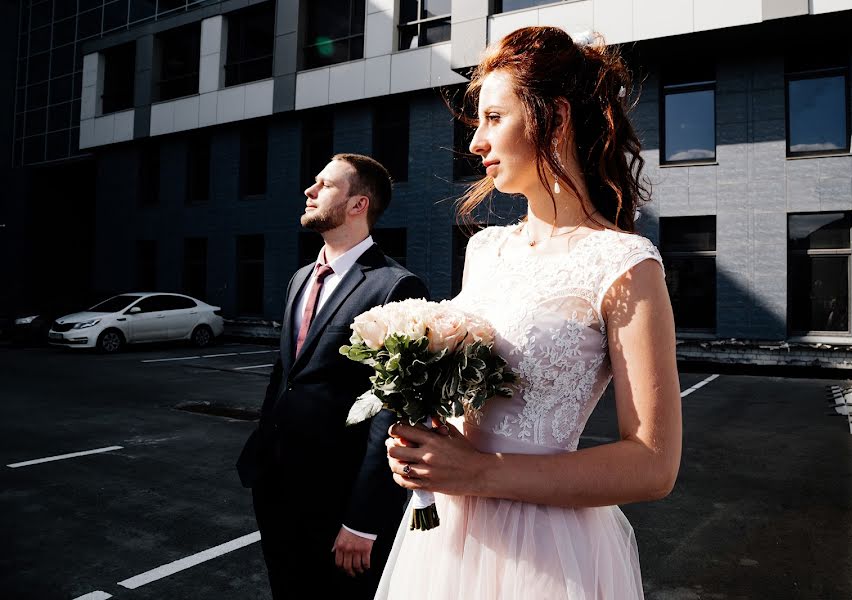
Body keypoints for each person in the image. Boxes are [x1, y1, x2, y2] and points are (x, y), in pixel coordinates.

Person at [375, 27, 682, 600]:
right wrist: (427, 435)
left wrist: (480, 473)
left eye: (493, 118)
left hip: (544, 550)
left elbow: (653, 465)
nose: (475, 143)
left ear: (555, 118)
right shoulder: (485, 249)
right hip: (450, 536)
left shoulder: (626, 264)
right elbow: (474, 399)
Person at [236, 153, 430, 600]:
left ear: (358, 204)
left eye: (324, 185)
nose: (309, 190)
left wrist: (364, 519)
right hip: (275, 485)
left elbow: (391, 414)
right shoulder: (301, 277)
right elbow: (285, 375)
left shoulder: (395, 286)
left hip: (338, 502)